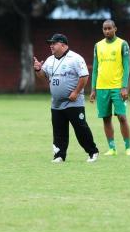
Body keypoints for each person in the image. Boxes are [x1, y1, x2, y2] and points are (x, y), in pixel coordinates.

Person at [33, 33, 99, 163]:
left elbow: (84, 76)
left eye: (54, 43)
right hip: (56, 104)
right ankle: (59, 155)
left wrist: (75, 92)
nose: (51, 46)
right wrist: (38, 70)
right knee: (59, 131)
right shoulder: (50, 60)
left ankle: (93, 151)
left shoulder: (75, 58)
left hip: (74, 102)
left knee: (80, 128)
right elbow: (43, 77)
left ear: (63, 44)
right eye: (50, 43)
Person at [90, 20, 130, 157]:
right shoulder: (98, 46)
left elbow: (126, 66)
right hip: (102, 87)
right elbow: (95, 68)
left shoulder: (122, 44)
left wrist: (124, 87)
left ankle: (128, 147)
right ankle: (112, 148)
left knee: (122, 117)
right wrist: (93, 89)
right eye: (104, 29)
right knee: (106, 118)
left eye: (109, 28)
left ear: (115, 28)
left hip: (117, 87)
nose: (107, 31)